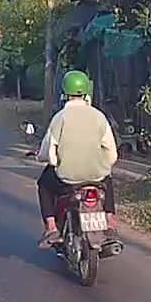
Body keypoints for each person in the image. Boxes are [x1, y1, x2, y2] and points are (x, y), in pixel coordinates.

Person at [36, 70, 119, 248]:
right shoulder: (99, 117)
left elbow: (49, 154)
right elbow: (112, 154)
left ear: (65, 93)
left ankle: (51, 227)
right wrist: (101, 166)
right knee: (107, 177)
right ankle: (110, 221)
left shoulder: (60, 118)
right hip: (96, 178)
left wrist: (48, 160)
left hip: (68, 180)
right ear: (87, 92)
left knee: (44, 184)